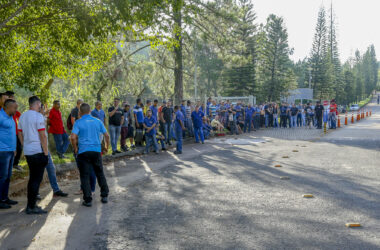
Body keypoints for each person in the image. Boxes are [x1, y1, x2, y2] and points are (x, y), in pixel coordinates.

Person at [70, 103, 110, 207]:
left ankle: (88, 200)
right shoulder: (98, 121)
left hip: (83, 152)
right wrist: (106, 147)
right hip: (96, 150)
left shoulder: (78, 122)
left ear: (80, 112)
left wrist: (75, 148)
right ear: (90, 111)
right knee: (99, 173)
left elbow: (73, 137)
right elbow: (107, 135)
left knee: (85, 175)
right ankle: (104, 195)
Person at [18, 96, 49, 214]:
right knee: (36, 179)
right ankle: (31, 207)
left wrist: (24, 145)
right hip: (38, 151)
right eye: (40, 105)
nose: (41, 107)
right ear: (37, 104)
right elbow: (43, 135)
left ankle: (30, 205)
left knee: (32, 179)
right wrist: (46, 153)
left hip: (28, 151)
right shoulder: (38, 116)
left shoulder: (22, 116)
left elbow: (20, 134)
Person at [39, 104, 68, 199]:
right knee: (38, 172)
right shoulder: (37, 119)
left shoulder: (43, 117)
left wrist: (47, 113)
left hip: (45, 149)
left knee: (51, 169)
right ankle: (35, 193)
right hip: (37, 149)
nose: (44, 110)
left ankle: (56, 190)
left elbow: (47, 119)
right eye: (42, 109)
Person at [0, 99, 18, 209]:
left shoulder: (11, 117)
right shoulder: (0, 116)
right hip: (2, 151)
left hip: (11, 151)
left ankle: (5, 198)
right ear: (8, 107)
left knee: (7, 176)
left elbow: (11, 133)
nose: (16, 110)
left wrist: (14, 148)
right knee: (2, 177)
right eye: (14, 108)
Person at [3, 91, 23, 171]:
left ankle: (15, 164)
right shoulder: (3, 109)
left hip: (16, 132)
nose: (13, 99)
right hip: (8, 133)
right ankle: (9, 165)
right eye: (11, 98)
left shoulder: (14, 110)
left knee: (19, 148)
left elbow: (19, 115)